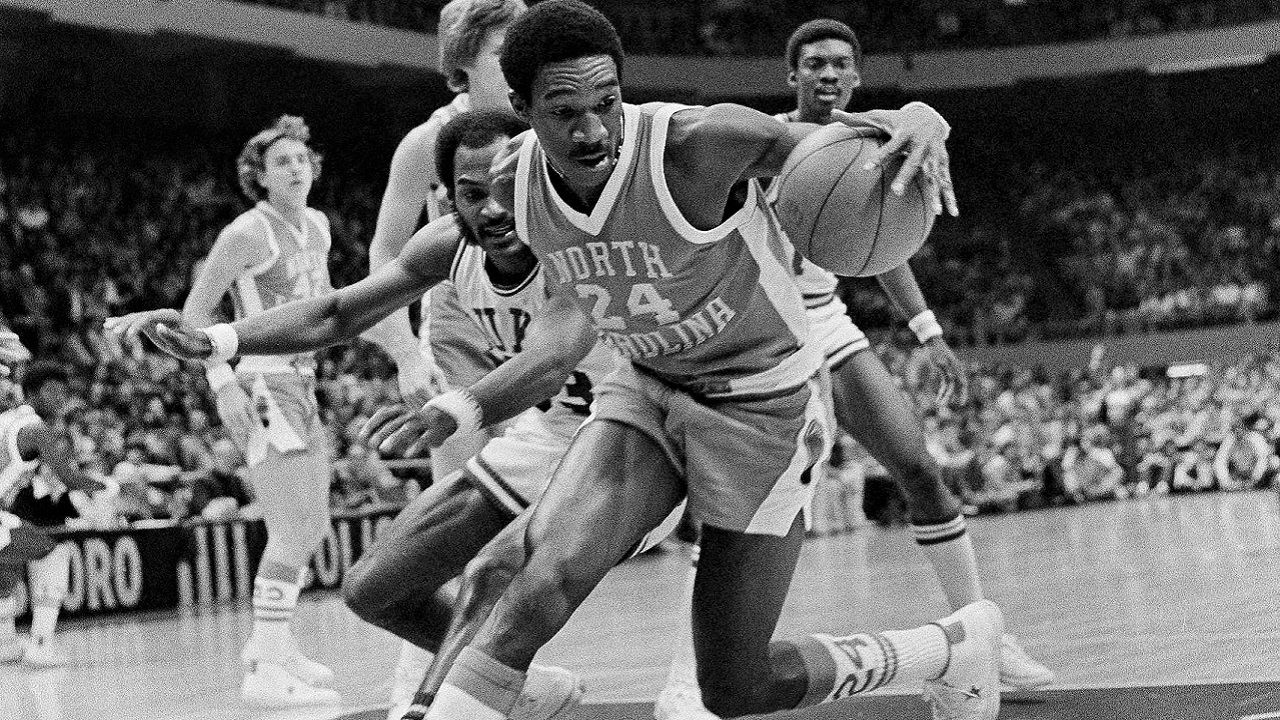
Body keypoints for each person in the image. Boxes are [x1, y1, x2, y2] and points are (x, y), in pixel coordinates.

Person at [357, 3, 1002, 720]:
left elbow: (823, 147)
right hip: (649, 387)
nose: (593, 128)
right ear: (522, 107)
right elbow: (551, 332)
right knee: (533, 583)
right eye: (565, 110)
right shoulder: (517, 183)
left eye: (607, 102)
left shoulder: (699, 141)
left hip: (765, 404)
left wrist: (918, 112)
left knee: (734, 688)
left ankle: (951, 642)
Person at [106, 108, 626, 720]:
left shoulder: (575, 238)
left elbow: (550, 358)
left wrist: (458, 406)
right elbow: (335, 313)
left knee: (490, 568)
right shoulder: (443, 246)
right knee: (374, 587)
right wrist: (219, 344)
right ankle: (526, 687)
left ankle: (431, 704)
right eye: (471, 193)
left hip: (628, 436)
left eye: (507, 187)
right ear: (448, 198)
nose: (492, 209)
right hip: (543, 432)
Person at [653, 20, 1053, 718]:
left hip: (826, 323)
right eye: (813, 64)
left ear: (857, 76)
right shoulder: (753, 142)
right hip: (757, 333)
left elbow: (880, 242)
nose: (827, 74)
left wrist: (927, 330)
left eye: (840, 64)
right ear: (792, 76)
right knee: (724, 512)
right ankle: (687, 676)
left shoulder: (867, 141)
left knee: (920, 469)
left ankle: (984, 637)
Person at [363, 6, 529, 707]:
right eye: (504, 52)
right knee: (456, 527)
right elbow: (382, 255)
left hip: (548, 326)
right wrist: (404, 353)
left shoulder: (543, 126)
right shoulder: (425, 142)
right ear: (463, 64)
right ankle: (422, 687)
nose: (522, 60)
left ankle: (497, 677)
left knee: (531, 536)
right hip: (460, 330)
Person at [161, 115, 342, 708]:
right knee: (295, 523)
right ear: (258, 178)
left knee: (310, 522)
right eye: (281, 162)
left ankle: (276, 649)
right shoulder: (246, 233)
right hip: (261, 382)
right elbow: (193, 315)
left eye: (302, 158)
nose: (295, 168)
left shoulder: (318, 227)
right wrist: (223, 384)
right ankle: (264, 668)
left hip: (305, 382)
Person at [0, 362, 105, 668]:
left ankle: (5, 643)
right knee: (51, 556)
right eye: (53, 391)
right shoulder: (35, 429)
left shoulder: (7, 419)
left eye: (64, 392)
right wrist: (108, 485)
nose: (61, 399)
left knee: (6, 567)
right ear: (33, 392)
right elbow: (69, 478)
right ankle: (41, 645)